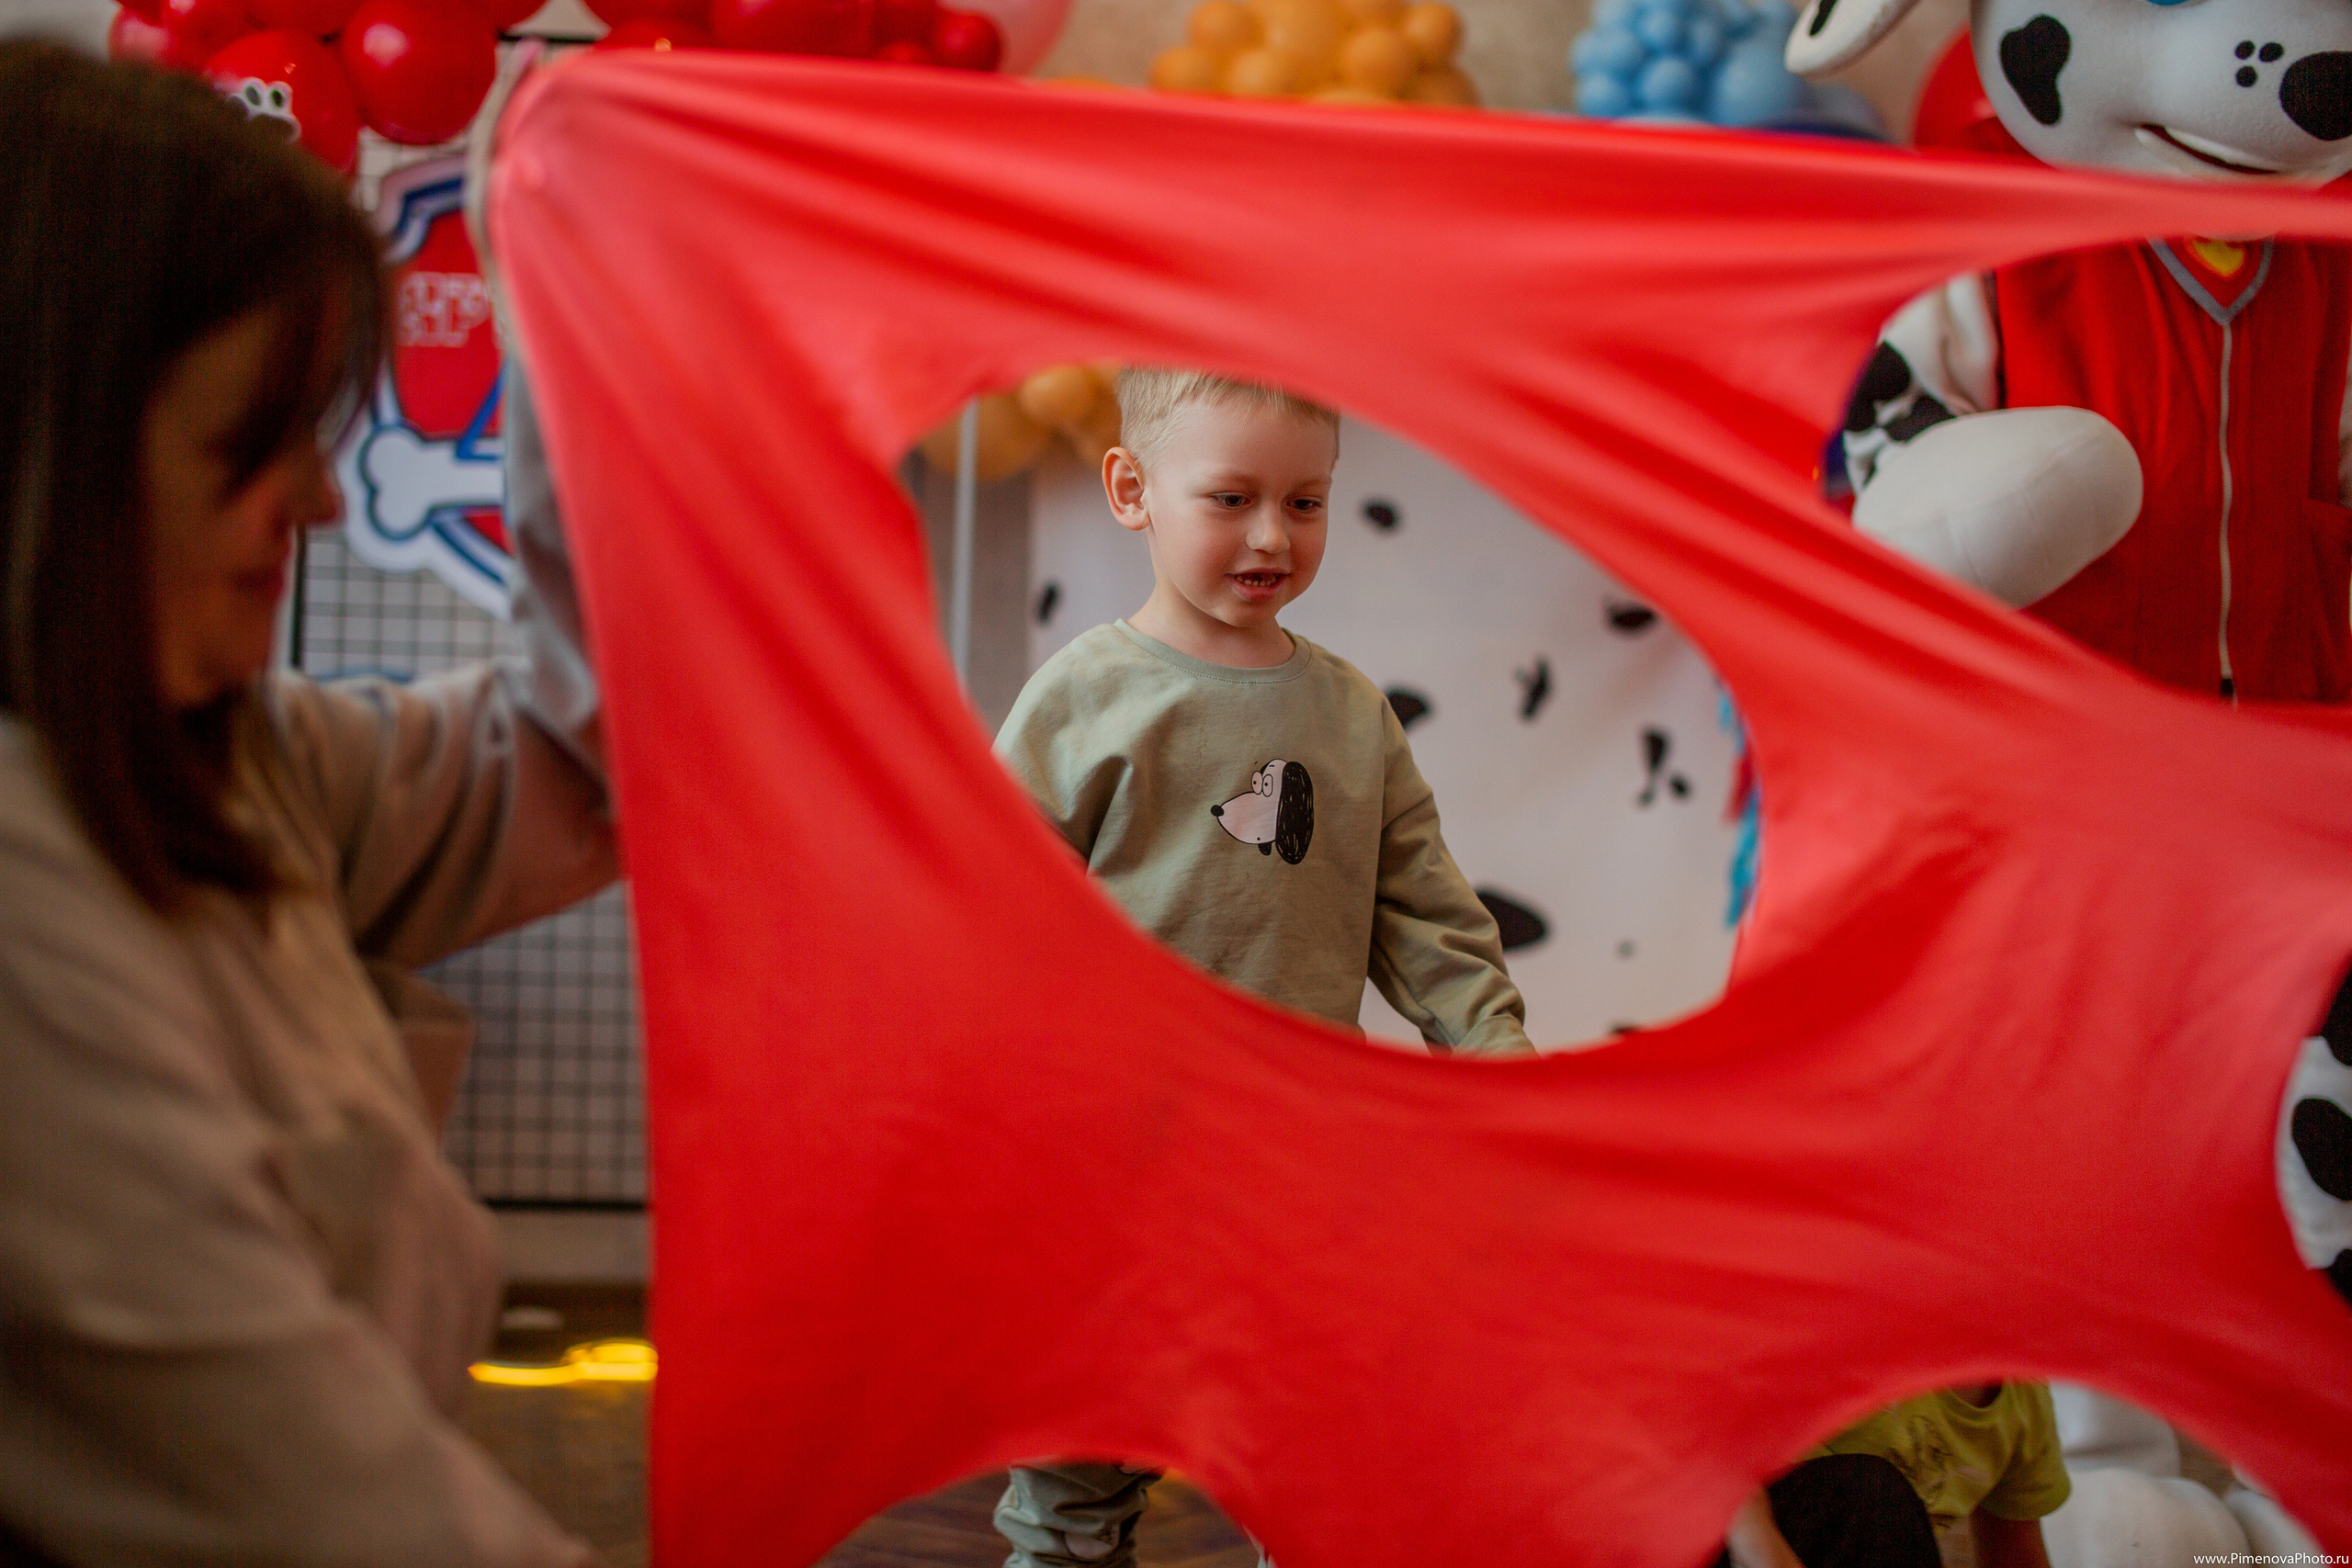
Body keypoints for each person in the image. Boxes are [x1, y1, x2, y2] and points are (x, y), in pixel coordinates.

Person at [0, 42, 615, 1565]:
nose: (324, 502)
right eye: (246, 444)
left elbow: (589, 761)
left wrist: (594, 310)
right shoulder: (25, 907)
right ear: (45, 456)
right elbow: (330, 1500)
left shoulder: (214, 751)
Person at [989, 368, 1535, 1568]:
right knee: (1078, 1461)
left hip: (1295, 1169)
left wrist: (1496, 1053)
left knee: (1320, 1463)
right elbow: (986, 914)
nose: (1274, 535)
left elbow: (1430, 916)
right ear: (1132, 490)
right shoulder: (1084, 699)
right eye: (1232, 497)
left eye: (1308, 500)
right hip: (1109, 1163)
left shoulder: (1349, 714)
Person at [1726, 1383, 2070, 1568]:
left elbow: (2017, 1558)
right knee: (1872, 1493)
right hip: (1742, 1531)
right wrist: (1763, 1551)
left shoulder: (2023, 1400)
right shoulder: (1854, 1328)